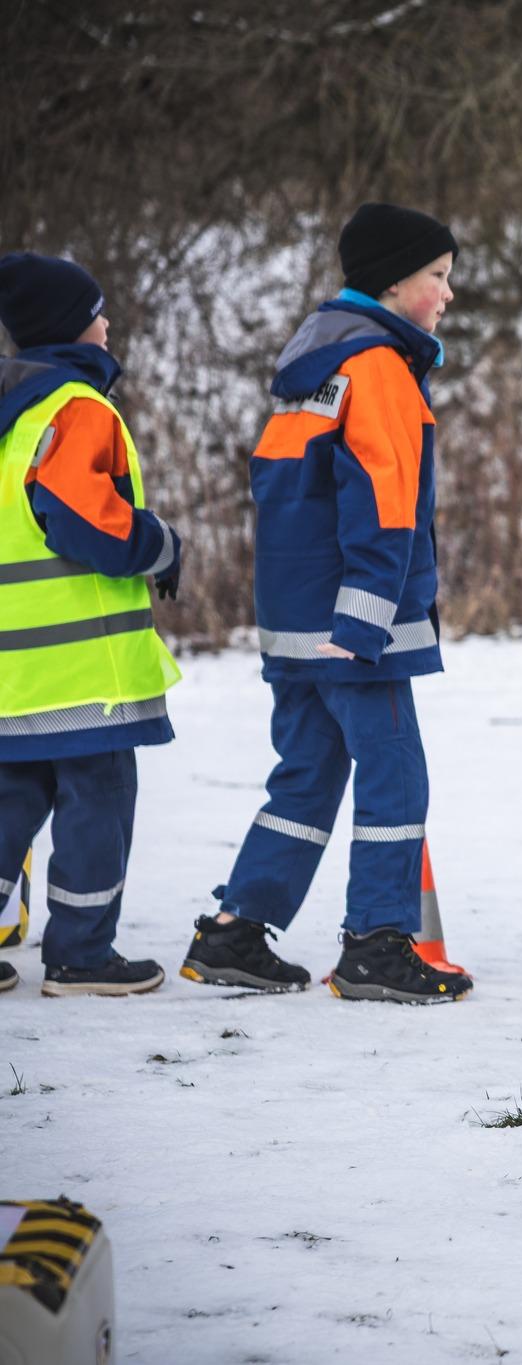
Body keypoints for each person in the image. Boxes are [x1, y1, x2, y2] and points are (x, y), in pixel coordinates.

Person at [186, 204, 473, 1004]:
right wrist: (367, 617)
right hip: (352, 625)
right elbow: (383, 501)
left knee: (308, 774)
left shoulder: (316, 362)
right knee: (395, 775)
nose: (449, 294)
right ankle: (378, 942)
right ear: (393, 281)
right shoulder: (379, 366)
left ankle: (237, 930)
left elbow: (283, 497)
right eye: (438, 277)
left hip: (295, 615)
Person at [0, 253, 183, 996]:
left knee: (11, 805)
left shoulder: (14, 412)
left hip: (16, 671)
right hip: (81, 673)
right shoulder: (75, 407)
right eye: (97, 312)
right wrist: (160, 542)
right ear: (70, 326)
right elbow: (85, 521)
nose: (108, 324)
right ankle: (80, 953)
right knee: (99, 800)